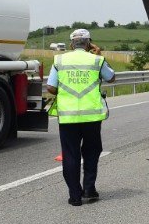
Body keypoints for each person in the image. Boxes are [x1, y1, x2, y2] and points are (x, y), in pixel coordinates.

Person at [47, 29, 115, 206]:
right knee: (92, 152)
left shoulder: (60, 60)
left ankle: (75, 196)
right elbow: (111, 77)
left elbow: (51, 88)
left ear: (71, 44)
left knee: (70, 155)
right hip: (91, 116)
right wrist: (100, 54)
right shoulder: (96, 60)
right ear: (89, 43)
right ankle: (89, 190)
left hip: (68, 117)